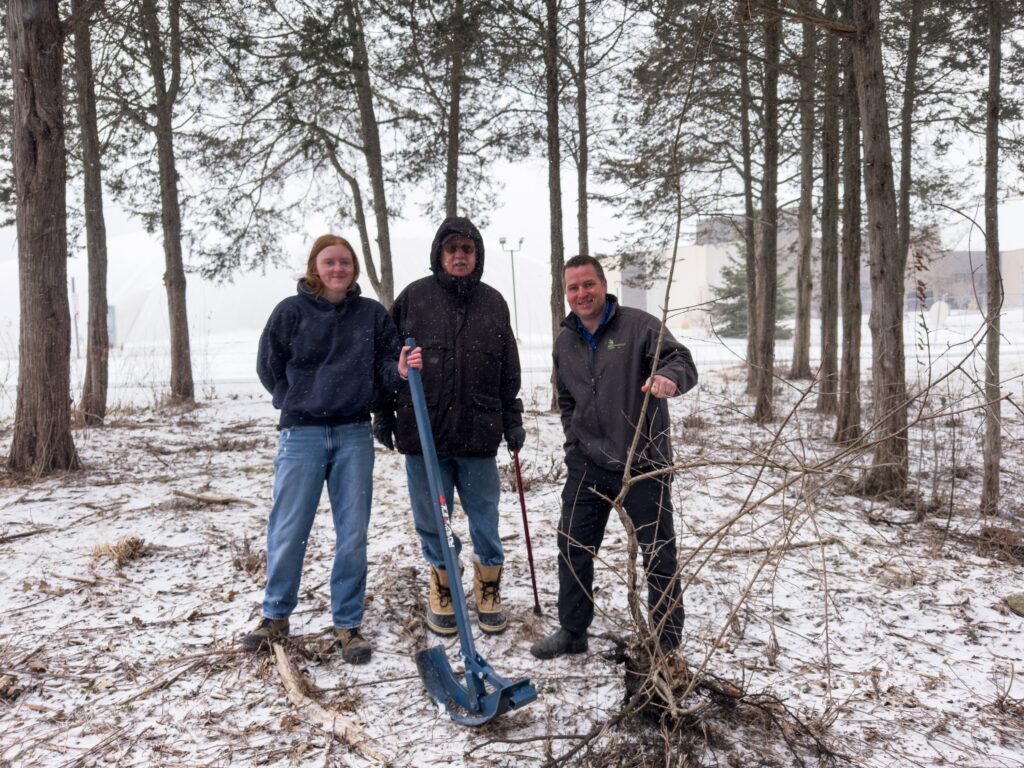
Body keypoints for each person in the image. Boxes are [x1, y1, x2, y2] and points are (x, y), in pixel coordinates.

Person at [242, 234, 422, 664]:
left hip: (353, 434)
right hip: (301, 435)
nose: (338, 268)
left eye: (345, 262)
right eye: (329, 262)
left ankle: (347, 623)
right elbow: (269, 365)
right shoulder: (290, 312)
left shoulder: (371, 315)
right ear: (314, 267)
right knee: (289, 528)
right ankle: (275, 616)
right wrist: (295, 396)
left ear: (354, 268)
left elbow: (384, 369)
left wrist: (396, 370)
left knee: (352, 532)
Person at [530, 255, 698, 661]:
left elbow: (682, 362)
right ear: (566, 293)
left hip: (644, 462)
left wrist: (668, 378)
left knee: (658, 554)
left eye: (588, 284)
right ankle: (573, 630)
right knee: (573, 546)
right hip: (588, 464)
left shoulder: (639, 326)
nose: (581, 293)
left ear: (604, 286)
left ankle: (667, 642)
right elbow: (566, 400)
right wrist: (575, 442)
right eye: (573, 287)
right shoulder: (565, 341)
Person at [373, 216, 524, 636]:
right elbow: (387, 362)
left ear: (477, 256)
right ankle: (443, 585)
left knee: (485, 517)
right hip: (424, 436)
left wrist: (512, 420)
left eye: (468, 249)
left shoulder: (494, 303)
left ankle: (488, 588)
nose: (460, 255)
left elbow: (507, 370)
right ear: (439, 254)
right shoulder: (413, 299)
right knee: (432, 520)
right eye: (452, 248)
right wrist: (384, 412)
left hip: (478, 436)